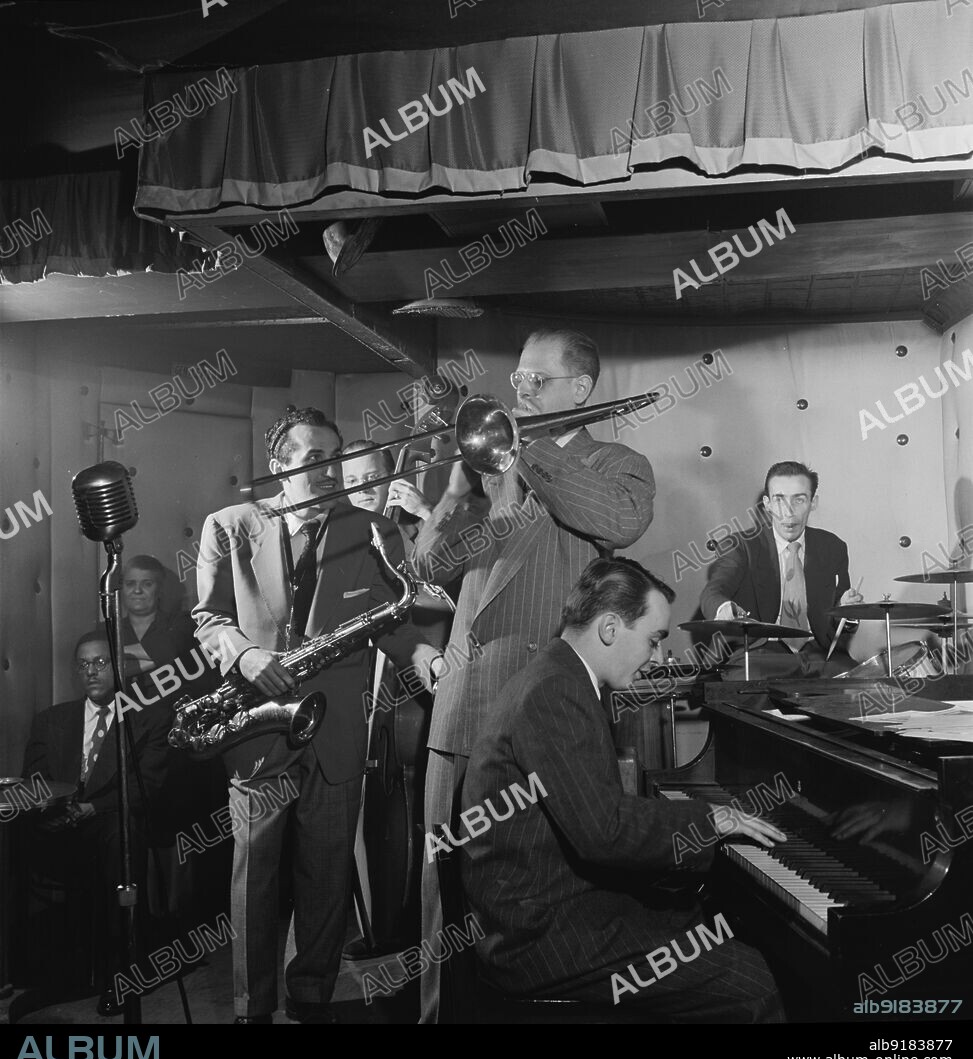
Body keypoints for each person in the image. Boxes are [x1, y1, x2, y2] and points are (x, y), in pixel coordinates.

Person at [413, 327, 656, 1021]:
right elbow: (430, 566)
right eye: (517, 379)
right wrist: (459, 491)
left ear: (580, 389)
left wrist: (525, 448)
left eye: (536, 382)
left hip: (541, 719)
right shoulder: (485, 471)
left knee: (532, 897)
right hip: (464, 705)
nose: (519, 391)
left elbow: (617, 521)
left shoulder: (616, 462)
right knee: (443, 899)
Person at [193, 405, 442, 1024]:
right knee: (254, 879)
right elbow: (209, 619)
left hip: (336, 732)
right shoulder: (228, 525)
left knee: (327, 877)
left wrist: (425, 654)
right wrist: (246, 656)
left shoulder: (372, 530)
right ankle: (251, 1009)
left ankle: (311, 998)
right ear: (279, 466)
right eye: (314, 459)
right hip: (257, 726)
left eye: (334, 458)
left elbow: (393, 620)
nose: (329, 471)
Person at [460, 557, 785, 1021]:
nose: (656, 655)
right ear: (610, 628)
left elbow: (595, 815)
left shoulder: (558, 675)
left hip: (545, 905)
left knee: (703, 917)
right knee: (750, 981)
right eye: (653, 639)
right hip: (538, 938)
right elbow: (604, 832)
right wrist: (711, 819)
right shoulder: (556, 692)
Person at [20, 630, 169, 1015]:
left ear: (119, 667)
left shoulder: (148, 718)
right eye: (84, 664)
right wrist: (55, 810)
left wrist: (92, 808)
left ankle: (120, 976)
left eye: (101, 662)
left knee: (121, 836)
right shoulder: (52, 720)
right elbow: (35, 779)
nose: (91, 671)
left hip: (110, 824)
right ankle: (41, 975)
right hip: (59, 825)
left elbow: (147, 785)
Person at [699, 461, 864, 678]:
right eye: (779, 499)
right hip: (759, 653)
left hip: (818, 654)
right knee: (749, 678)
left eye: (799, 499)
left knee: (857, 678)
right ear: (767, 504)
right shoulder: (741, 546)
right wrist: (724, 609)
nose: (788, 511)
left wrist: (848, 612)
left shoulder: (832, 547)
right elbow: (713, 592)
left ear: (813, 502)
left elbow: (838, 626)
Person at [118, 554, 196, 676]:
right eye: (130, 584)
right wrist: (161, 659)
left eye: (147, 584)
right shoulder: (107, 630)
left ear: (159, 589)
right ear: (121, 588)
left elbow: (170, 651)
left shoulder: (182, 622)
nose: (137, 590)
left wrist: (111, 654)